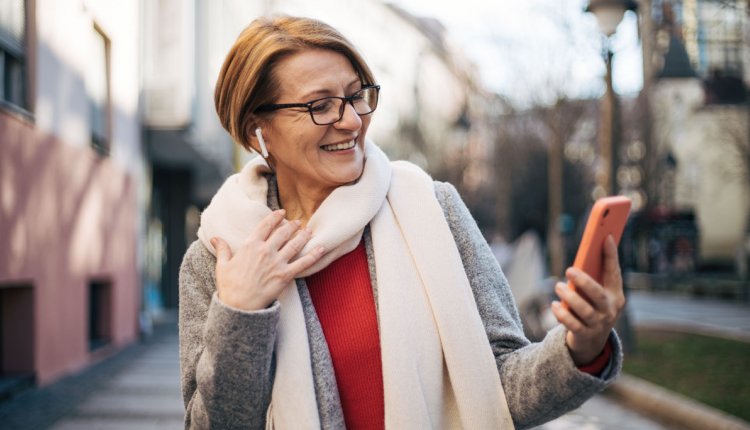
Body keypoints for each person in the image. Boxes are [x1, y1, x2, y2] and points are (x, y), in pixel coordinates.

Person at [179, 15, 625, 430]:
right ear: (260, 128)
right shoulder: (218, 255)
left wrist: (580, 348)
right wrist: (240, 313)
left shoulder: (433, 208)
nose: (352, 120)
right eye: (321, 105)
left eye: (356, 96)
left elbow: (500, 387)